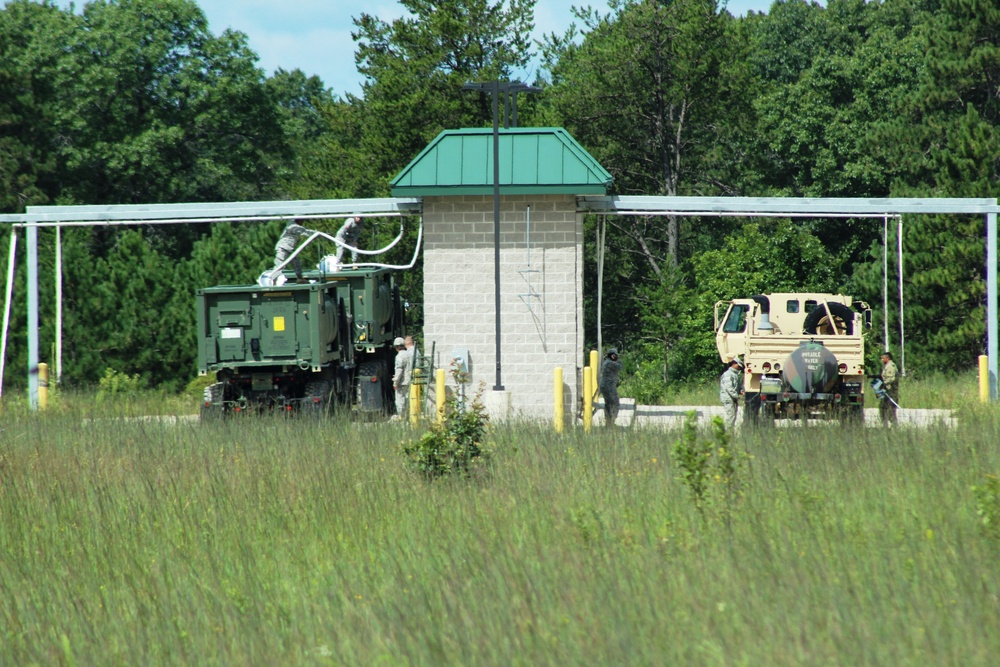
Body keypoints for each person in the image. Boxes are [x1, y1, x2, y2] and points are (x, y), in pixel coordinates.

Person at [599, 348, 623, 427]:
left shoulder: (607, 362)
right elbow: (620, 366)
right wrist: (618, 359)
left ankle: (609, 422)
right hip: (608, 386)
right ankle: (611, 421)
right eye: (616, 355)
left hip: (606, 385)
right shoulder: (610, 363)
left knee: (609, 404)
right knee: (615, 403)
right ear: (613, 356)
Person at [719, 355, 744, 431]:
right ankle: (728, 432)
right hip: (728, 398)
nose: (739, 368)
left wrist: (740, 391)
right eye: (738, 366)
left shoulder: (735, 375)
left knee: (733, 416)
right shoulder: (728, 374)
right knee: (730, 416)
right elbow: (729, 388)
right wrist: (736, 396)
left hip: (732, 399)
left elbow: (737, 386)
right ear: (734, 364)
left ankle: (730, 431)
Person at [392, 336, 412, 418]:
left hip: (402, 382)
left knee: (400, 400)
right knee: (407, 399)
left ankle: (402, 416)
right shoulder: (409, 354)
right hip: (409, 380)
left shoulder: (399, 356)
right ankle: (408, 415)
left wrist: (395, 383)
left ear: (396, 347)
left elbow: (399, 370)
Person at [879, 351, 900, 425]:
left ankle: (894, 426)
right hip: (886, 391)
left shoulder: (890, 366)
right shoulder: (886, 366)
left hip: (891, 392)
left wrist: (882, 384)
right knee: (883, 409)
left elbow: (890, 379)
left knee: (890, 411)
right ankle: (885, 426)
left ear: (887, 358)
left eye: (883, 358)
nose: (882, 360)